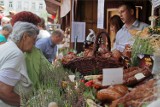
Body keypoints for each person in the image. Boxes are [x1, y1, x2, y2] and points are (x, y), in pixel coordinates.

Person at [0, 21, 39, 107]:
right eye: (34, 39)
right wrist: (29, 104)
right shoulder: (16, 53)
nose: (34, 44)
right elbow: (3, 91)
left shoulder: (6, 46)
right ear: (25, 36)